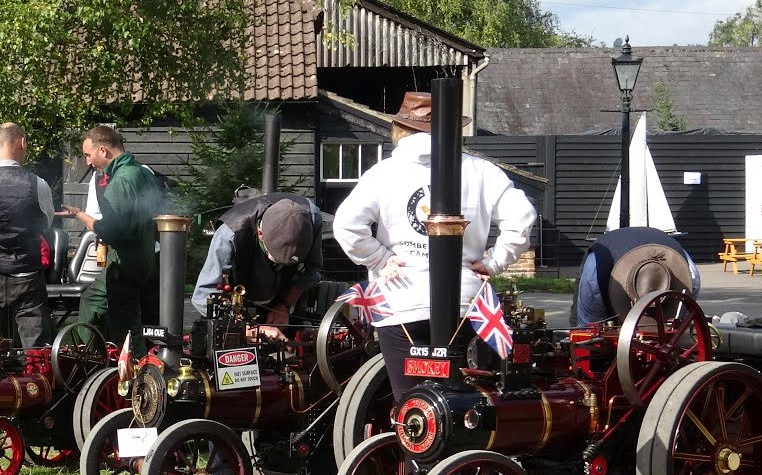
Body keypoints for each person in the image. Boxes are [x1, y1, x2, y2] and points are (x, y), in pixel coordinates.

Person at [332, 91, 537, 399]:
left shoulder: (382, 174)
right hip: (465, 301)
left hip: (400, 301)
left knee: (413, 409)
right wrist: (494, 262)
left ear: (401, 128)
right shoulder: (482, 171)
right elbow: (522, 218)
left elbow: (346, 225)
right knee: (464, 403)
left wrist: (379, 259)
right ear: (453, 128)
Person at [59, 125, 162, 357]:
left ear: (103, 150)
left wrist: (80, 215)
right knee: (101, 303)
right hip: (145, 258)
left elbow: (112, 230)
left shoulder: (120, 181)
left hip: (125, 263)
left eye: (88, 155)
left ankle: (95, 360)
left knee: (124, 325)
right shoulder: (144, 173)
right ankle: (101, 357)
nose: (88, 162)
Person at [0, 122, 55, 348]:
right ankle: (33, 372)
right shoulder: (38, 184)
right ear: (22, 143)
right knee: (36, 350)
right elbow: (45, 224)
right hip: (27, 275)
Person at [191, 193, 324, 339]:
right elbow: (204, 295)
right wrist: (248, 330)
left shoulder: (313, 219)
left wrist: (284, 305)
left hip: (281, 305)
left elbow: (310, 272)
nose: (284, 266)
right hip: (236, 311)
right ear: (260, 233)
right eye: (276, 259)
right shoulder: (230, 233)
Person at [574, 227, 700, 326]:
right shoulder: (596, 274)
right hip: (604, 262)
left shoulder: (689, 275)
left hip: (667, 248)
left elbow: (683, 313)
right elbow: (589, 325)